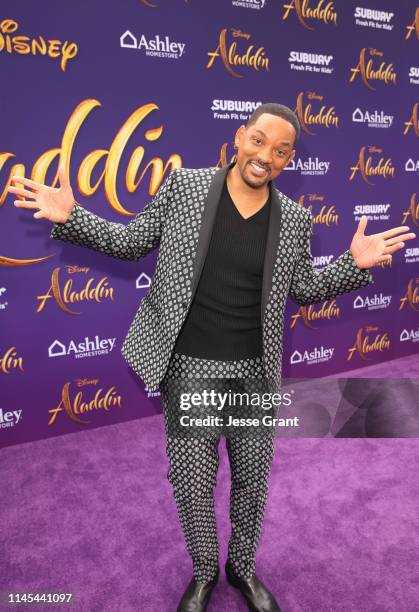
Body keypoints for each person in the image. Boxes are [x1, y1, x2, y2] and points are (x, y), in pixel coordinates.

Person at [8, 103, 416, 612]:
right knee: (194, 478)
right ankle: (203, 573)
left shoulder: (293, 219)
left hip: (254, 372)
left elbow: (306, 290)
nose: (266, 156)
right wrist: (74, 217)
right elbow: (132, 241)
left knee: (251, 476)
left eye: (281, 150)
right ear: (240, 136)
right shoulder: (186, 188)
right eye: (260, 141)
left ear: (289, 159)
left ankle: (242, 569)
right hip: (191, 365)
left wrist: (352, 266)